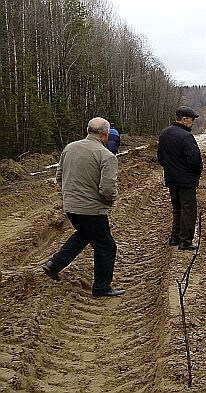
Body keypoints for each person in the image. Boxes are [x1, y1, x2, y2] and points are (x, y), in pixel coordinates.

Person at [42, 117, 125, 297]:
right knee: (106, 246)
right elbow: (107, 188)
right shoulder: (106, 156)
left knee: (83, 235)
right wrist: (110, 201)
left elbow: (59, 177)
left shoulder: (69, 148)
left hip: (71, 207)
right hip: (92, 210)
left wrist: (71, 195)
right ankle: (101, 288)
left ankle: (54, 265)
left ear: (88, 130)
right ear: (105, 134)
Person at [157, 106, 202, 251]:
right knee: (188, 211)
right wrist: (196, 172)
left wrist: (170, 169)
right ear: (184, 119)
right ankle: (185, 241)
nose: (193, 123)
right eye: (192, 120)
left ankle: (175, 237)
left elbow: (160, 158)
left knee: (177, 209)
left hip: (171, 179)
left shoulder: (164, 134)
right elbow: (195, 160)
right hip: (186, 181)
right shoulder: (186, 136)